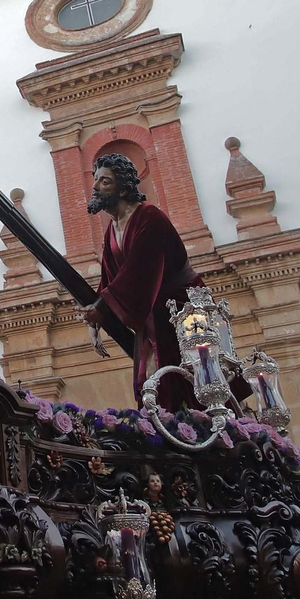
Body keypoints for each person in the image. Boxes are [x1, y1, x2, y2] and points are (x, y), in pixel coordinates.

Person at [81, 152, 204, 410]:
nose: (95, 187)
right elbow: (110, 278)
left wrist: (101, 308)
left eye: (105, 181)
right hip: (153, 313)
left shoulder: (150, 217)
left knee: (188, 382)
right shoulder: (112, 230)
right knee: (151, 381)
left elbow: (139, 271)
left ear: (124, 187)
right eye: (95, 180)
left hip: (180, 311)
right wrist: (96, 317)